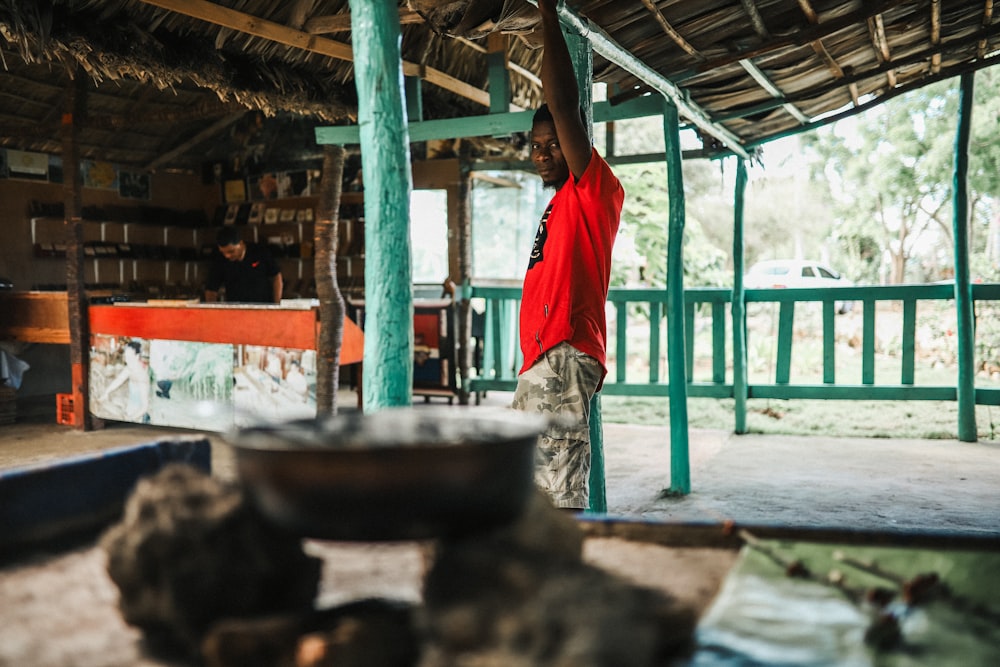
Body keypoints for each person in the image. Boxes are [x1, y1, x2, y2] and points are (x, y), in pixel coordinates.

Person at [510, 0, 625, 510]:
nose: (540, 155)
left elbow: (562, 106)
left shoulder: (592, 191)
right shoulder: (559, 204)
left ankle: (565, 575)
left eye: (551, 146)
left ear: (574, 144)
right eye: (534, 147)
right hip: (542, 356)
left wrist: (548, 16)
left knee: (557, 489)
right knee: (533, 485)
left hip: (563, 351)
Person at [204, 226, 283, 304]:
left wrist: (277, 305)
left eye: (231, 251)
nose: (227, 256)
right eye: (223, 252)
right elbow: (211, 289)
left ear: (241, 244)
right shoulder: (220, 260)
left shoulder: (259, 252)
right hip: (236, 309)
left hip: (263, 306)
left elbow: (276, 276)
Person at [100, 340, 152, 424]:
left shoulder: (142, 376)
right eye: (126, 356)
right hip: (130, 409)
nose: (127, 360)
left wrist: (130, 419)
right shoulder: (130, 368)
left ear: (137, 356)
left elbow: (144, 407)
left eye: (129, 357)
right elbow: (118, 380)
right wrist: (106, 392)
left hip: (139, 415)